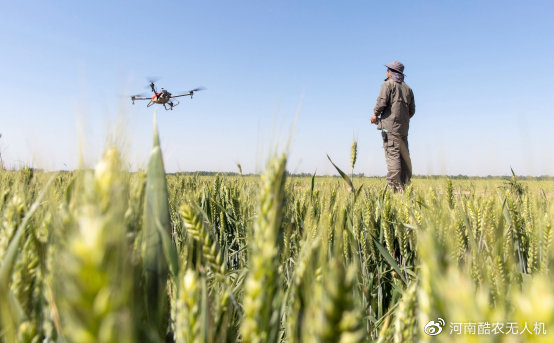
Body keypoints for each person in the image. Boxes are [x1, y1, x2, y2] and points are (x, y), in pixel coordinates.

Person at [370, 61, 415, 192]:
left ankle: (394, 190)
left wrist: (375, 116)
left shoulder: (388, 85)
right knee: (404, 157)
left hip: (389, 129)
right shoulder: (408, 89)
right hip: (403, 130)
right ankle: (406, 187)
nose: (386, 72)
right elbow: (412, 111)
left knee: (393, 156)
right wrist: (402, 119)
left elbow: (381, 103)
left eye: (388, 70)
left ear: (390, 72)